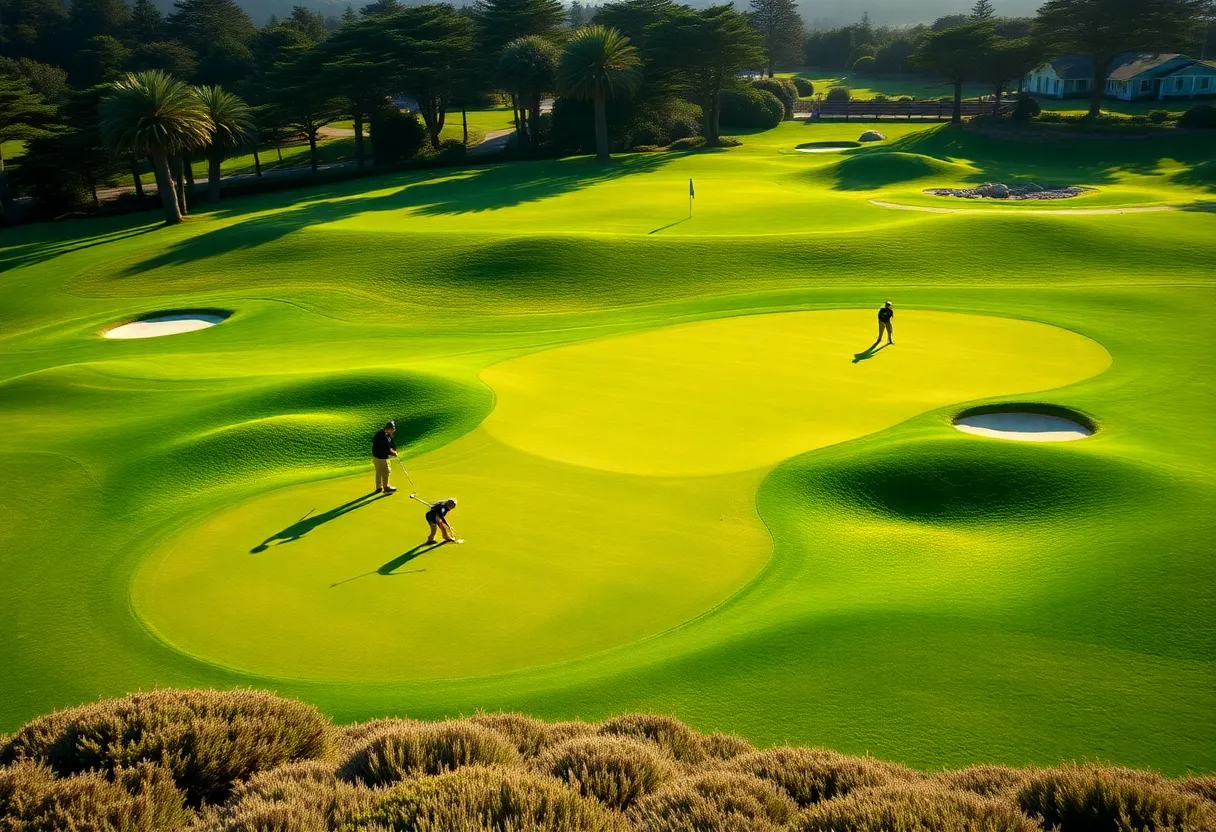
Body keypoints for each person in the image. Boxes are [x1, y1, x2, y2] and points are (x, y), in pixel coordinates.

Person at [372, 420, 398, 494]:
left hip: (375, 457)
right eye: (393, 429)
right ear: (389, 429)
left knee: (379, 472)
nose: (393, 431)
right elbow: (386, 449)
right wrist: (393, 453)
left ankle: (379, 488)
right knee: (386, 471)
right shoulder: (383, 437)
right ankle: (386, 488)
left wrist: (393, 450)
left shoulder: (382, 434)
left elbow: (391, 445)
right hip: (381, 457)